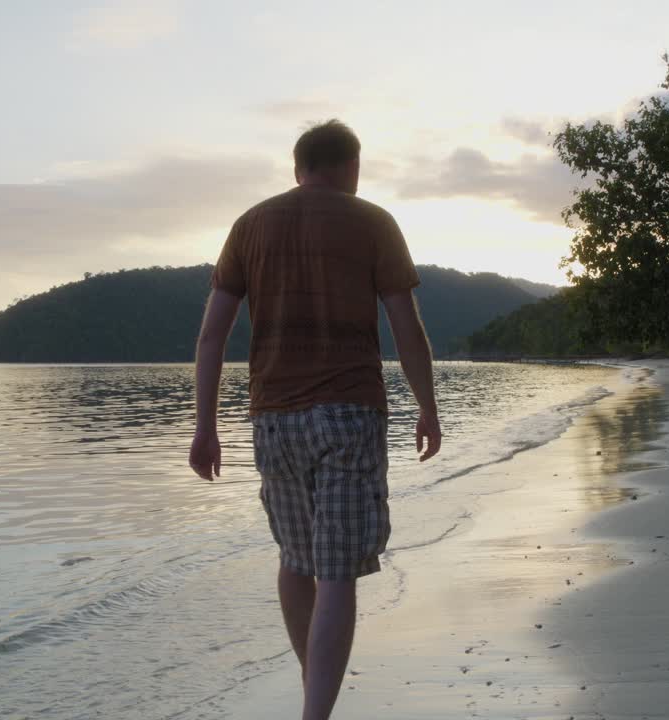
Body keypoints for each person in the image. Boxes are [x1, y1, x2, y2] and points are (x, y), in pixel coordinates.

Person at [188, 119, 442, 720]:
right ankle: (316, 713)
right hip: (350, 414)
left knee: (297, 562)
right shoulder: (373, 222)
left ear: (298, 167)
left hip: (274, 419)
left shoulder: (249, 226)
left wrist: (205, 426)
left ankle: (315, 700)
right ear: (351, 167)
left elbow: (211, 337)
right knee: (335, 576)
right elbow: (407, 329)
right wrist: (427, 406)